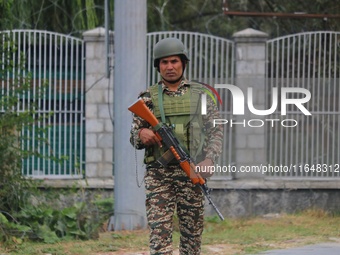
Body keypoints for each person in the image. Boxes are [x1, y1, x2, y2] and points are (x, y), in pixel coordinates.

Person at [130, 37, 223, 255]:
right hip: (159, 175)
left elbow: (216, 130)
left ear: (183, 63)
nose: (170, 67)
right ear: (158, 66)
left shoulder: (200, 95)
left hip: (191, 172)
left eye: (174, 61)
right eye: (164, 62)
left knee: (191, 237)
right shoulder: (147, 99)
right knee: (159, 235)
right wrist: (141, 134)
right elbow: (133, 136)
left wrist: (210, 159)